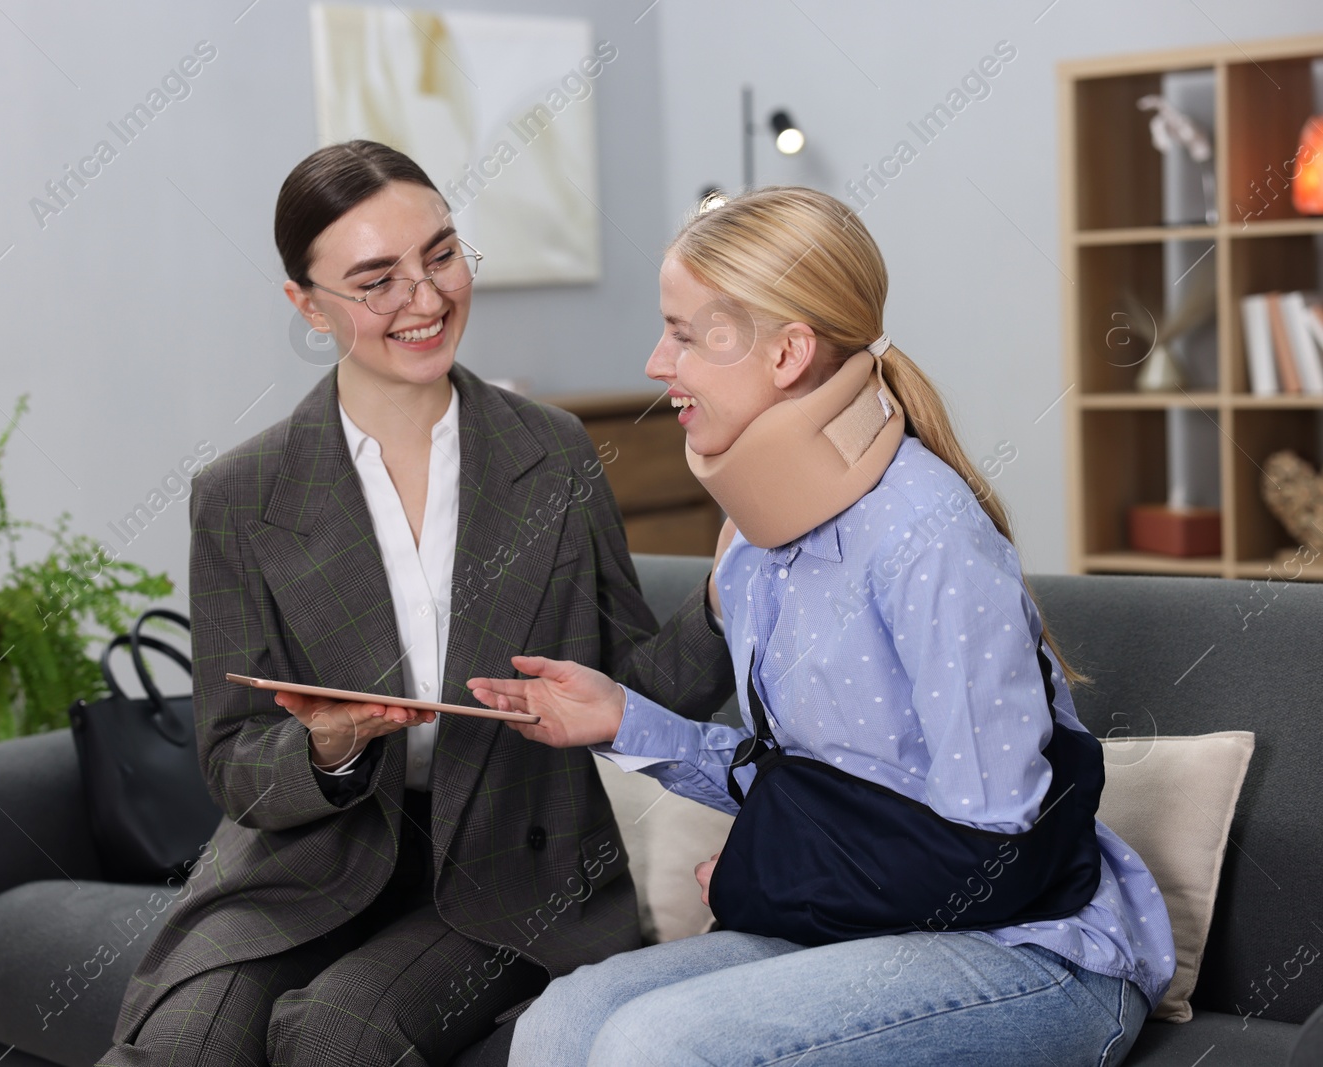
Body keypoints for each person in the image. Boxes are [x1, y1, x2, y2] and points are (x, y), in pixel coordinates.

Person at [469, 186, 1176, 1067]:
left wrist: (771, 876)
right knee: (560, 1026)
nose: (658, 361)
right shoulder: (755, 549)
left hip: (1035, 951)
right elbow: (821, 787)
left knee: (655, 1045)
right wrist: (622, 718)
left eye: (687, 334)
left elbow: (993, 846)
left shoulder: (926, 533)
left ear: (790, 352)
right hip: (875, 929)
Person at [96, 140, 734, 1067]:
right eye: (376, 280)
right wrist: (326, 743)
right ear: (307, 306)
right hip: (307, 864)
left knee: (336, 1032)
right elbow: (235, 764)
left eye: (440, 255)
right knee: (183, 1046)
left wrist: (721, 601)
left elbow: (629, 685)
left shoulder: (553, 455)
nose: (427, 299)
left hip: (512, 865)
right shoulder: (239, 496)